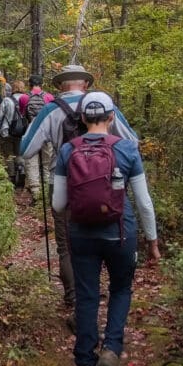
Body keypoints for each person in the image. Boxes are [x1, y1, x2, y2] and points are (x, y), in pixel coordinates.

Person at [51, 92, 161, 366]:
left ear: (83, 118)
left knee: (87, 296)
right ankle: (111, 350)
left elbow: (59, 204)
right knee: (121, 289)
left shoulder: (67, 150)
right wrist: (152, 241)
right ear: (112, 117)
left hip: (81, 234)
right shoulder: (127, 150)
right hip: (120, 233)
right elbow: (144, 202)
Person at [19, 64, 139, 310]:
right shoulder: (104, 106)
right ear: (85, 84)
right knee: (101, 237)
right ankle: (100, 292)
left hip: (62, 184)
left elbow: (26, 149)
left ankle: (75, 298)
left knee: (67, 246)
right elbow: (132, 141)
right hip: (104, 185)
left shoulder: (51, 110)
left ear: (61, 86)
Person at [19, 74, 55, 203]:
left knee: (31, 161)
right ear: (42, 84)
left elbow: (23, 114)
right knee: (47, 162)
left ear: (29, 84)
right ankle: (47, 187)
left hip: (31, 130)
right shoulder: (49, 97)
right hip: (47, 131)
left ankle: (36, 193)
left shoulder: (24, 97)